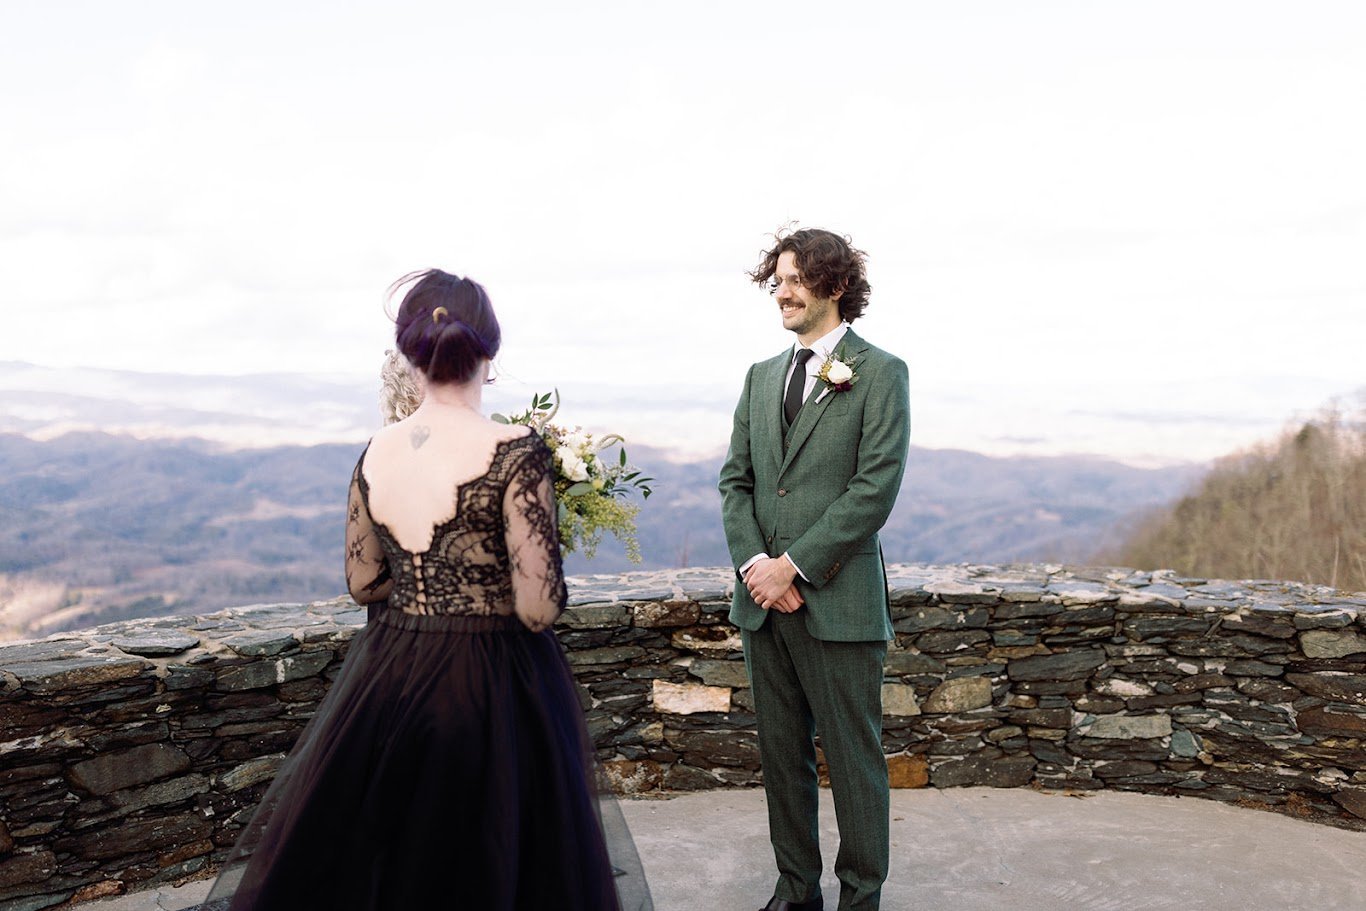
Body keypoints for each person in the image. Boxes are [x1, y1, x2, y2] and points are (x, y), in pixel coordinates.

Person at [204, 269, 651, 910]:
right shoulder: (515, 451)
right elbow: (538, 605)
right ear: (489, 355)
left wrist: (424, 588)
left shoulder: (375, 451)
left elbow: (362, 582)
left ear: (410, 354)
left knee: (389, 862)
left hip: (388, 676)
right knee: (495, 863)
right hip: (492, 682)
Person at [719, 229, 911, 911]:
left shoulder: (882, 372)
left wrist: (793, 569)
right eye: (777, 281)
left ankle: (861, 896)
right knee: (781, 757)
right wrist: (756, 568)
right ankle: (794, 889)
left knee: (855, 763)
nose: (783, 292)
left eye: (796, 279)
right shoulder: (759, 376)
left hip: (838, 601)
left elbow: (874, 489)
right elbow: (735, 483)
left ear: (834, 284)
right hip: (762, 605)